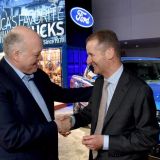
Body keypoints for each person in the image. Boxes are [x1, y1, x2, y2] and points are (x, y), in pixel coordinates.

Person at [59, 30, 159, 160]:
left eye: (91, 54)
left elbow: (147, 138)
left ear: (109, 53)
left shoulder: (139, 90)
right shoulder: (100, 82)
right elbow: (90, 112)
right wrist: (71, 121)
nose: (87, 61)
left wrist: (105, 142)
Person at [0, 26, 92, 160]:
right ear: (16, 54)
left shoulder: (38, 74)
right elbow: (11, 137)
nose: (41, 58)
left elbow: (63, 94)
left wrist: (101, 88)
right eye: (37, 54)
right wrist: (55, 126)